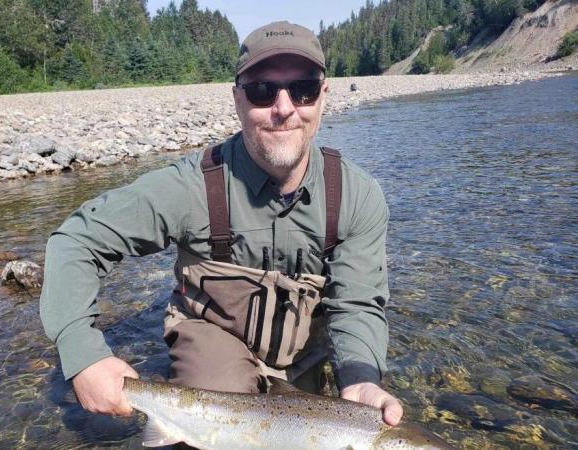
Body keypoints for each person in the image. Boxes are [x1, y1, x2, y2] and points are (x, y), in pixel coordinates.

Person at [40, 20, 403, 428]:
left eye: (302, 89)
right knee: (215, 406)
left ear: (323, 96)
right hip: (214, 350)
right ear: (237, 99)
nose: (284, 108)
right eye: (262, 91)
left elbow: (356, 305)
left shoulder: (356, 195)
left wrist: (360, 380)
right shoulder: (192, 187)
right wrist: (83, 352)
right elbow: (76, 241)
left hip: (303, 358)